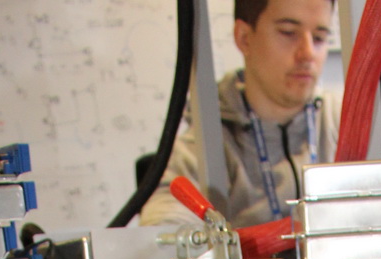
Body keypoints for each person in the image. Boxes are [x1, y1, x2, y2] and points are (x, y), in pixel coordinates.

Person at [141, 0, 341, 231]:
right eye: (288, 33)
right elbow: (163, 232)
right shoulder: (204, 145)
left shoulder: (345, 122)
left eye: (319, 38)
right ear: (244, 38)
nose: (307, 53)